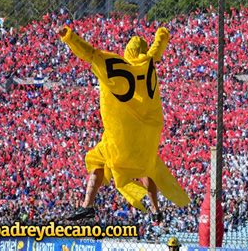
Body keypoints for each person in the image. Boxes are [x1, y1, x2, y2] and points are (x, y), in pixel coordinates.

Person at [57, 26, 190, 221]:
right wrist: (163, 33)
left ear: (128, 51)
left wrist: (69, 37)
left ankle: (88, 205)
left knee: (96, 160)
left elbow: (90, 54)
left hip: (121, 136)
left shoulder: (117, 66)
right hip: (145, 136)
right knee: (146, 167)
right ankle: (155, 209)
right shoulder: (148, 62)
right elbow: (157, 48)